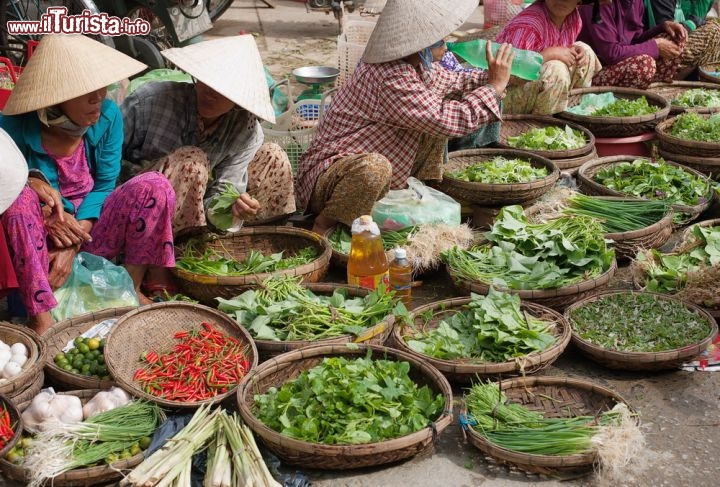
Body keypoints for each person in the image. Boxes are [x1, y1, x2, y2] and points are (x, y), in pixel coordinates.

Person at [0, 34, 177, 335]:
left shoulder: (108, 116)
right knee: (17, 201)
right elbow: (5, 181)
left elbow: (105, 184)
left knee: (155, 186)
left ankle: (128, 288)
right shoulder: (13, 124)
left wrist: (75, 241)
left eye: (102, 87)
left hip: (92, 227)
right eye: (86, 91)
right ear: (56, 95)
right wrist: (31, 182)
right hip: (39, 234)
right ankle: (41, 317)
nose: (98, 97)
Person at [296, 0, 513, 235]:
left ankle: (419, 194)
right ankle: (325, 224)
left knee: (436, 118)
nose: (447, 48)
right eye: (441, 42)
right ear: (421, 47)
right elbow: (446, 119)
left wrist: (492, 77)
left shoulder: (415, 67)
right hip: (334, 177)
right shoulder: (389, 76)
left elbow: (454, 82)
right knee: (375, 168)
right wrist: (493, 87)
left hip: (371, 165)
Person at [121, 35, 296, 238]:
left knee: (274, 157)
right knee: (192, 163)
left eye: (223, 90)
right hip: (135, 208)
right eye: (207, 81)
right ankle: (156, 253)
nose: (210, 93)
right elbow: (101, 160)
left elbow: (222, 191)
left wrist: (231, 209)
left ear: (239, 100)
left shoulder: (245, 130)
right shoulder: (149, 102)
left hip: (193, 211)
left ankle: (258, 242)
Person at [494, 0, 601, 115]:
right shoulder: (529, 26)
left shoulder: (573, 19)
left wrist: (573, 52)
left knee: (585, 50)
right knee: (556, 69)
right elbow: (509, 76)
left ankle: (569, 109)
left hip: (542, 91)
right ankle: (542, 124)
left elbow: (564, 51)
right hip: (503, 95)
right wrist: (549, 54)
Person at [577, 0, 695, 88]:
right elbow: (612, 54)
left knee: (674, 37)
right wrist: (656, 46)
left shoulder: (635, 2)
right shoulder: (598, 4)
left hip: (619, 64)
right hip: (592, 76)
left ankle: (650, 87)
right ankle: (615, 100)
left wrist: (662, 28)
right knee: (644, 64)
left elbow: (635, 40)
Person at [644, 0, 720, 79]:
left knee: (714, 28)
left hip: (682, 36)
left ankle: (694, 76)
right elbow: (669, 31)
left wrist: (693, 22)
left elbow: (698, 19)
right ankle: (670, 78)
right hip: (661, 45)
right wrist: (693, 23)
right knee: (714, 33)